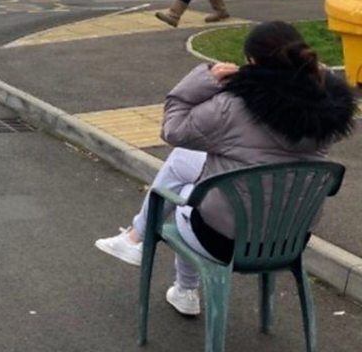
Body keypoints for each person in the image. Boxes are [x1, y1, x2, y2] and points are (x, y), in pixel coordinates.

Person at [95, 21, 355, 316]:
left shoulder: (232, 108)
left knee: (188, 192)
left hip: (222, 239)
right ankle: (136, 240)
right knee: (188, 167)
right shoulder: (328, 112)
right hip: (288, 239)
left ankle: (176, 279)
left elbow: (173, 129)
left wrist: (205, 79)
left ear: (252, 64)